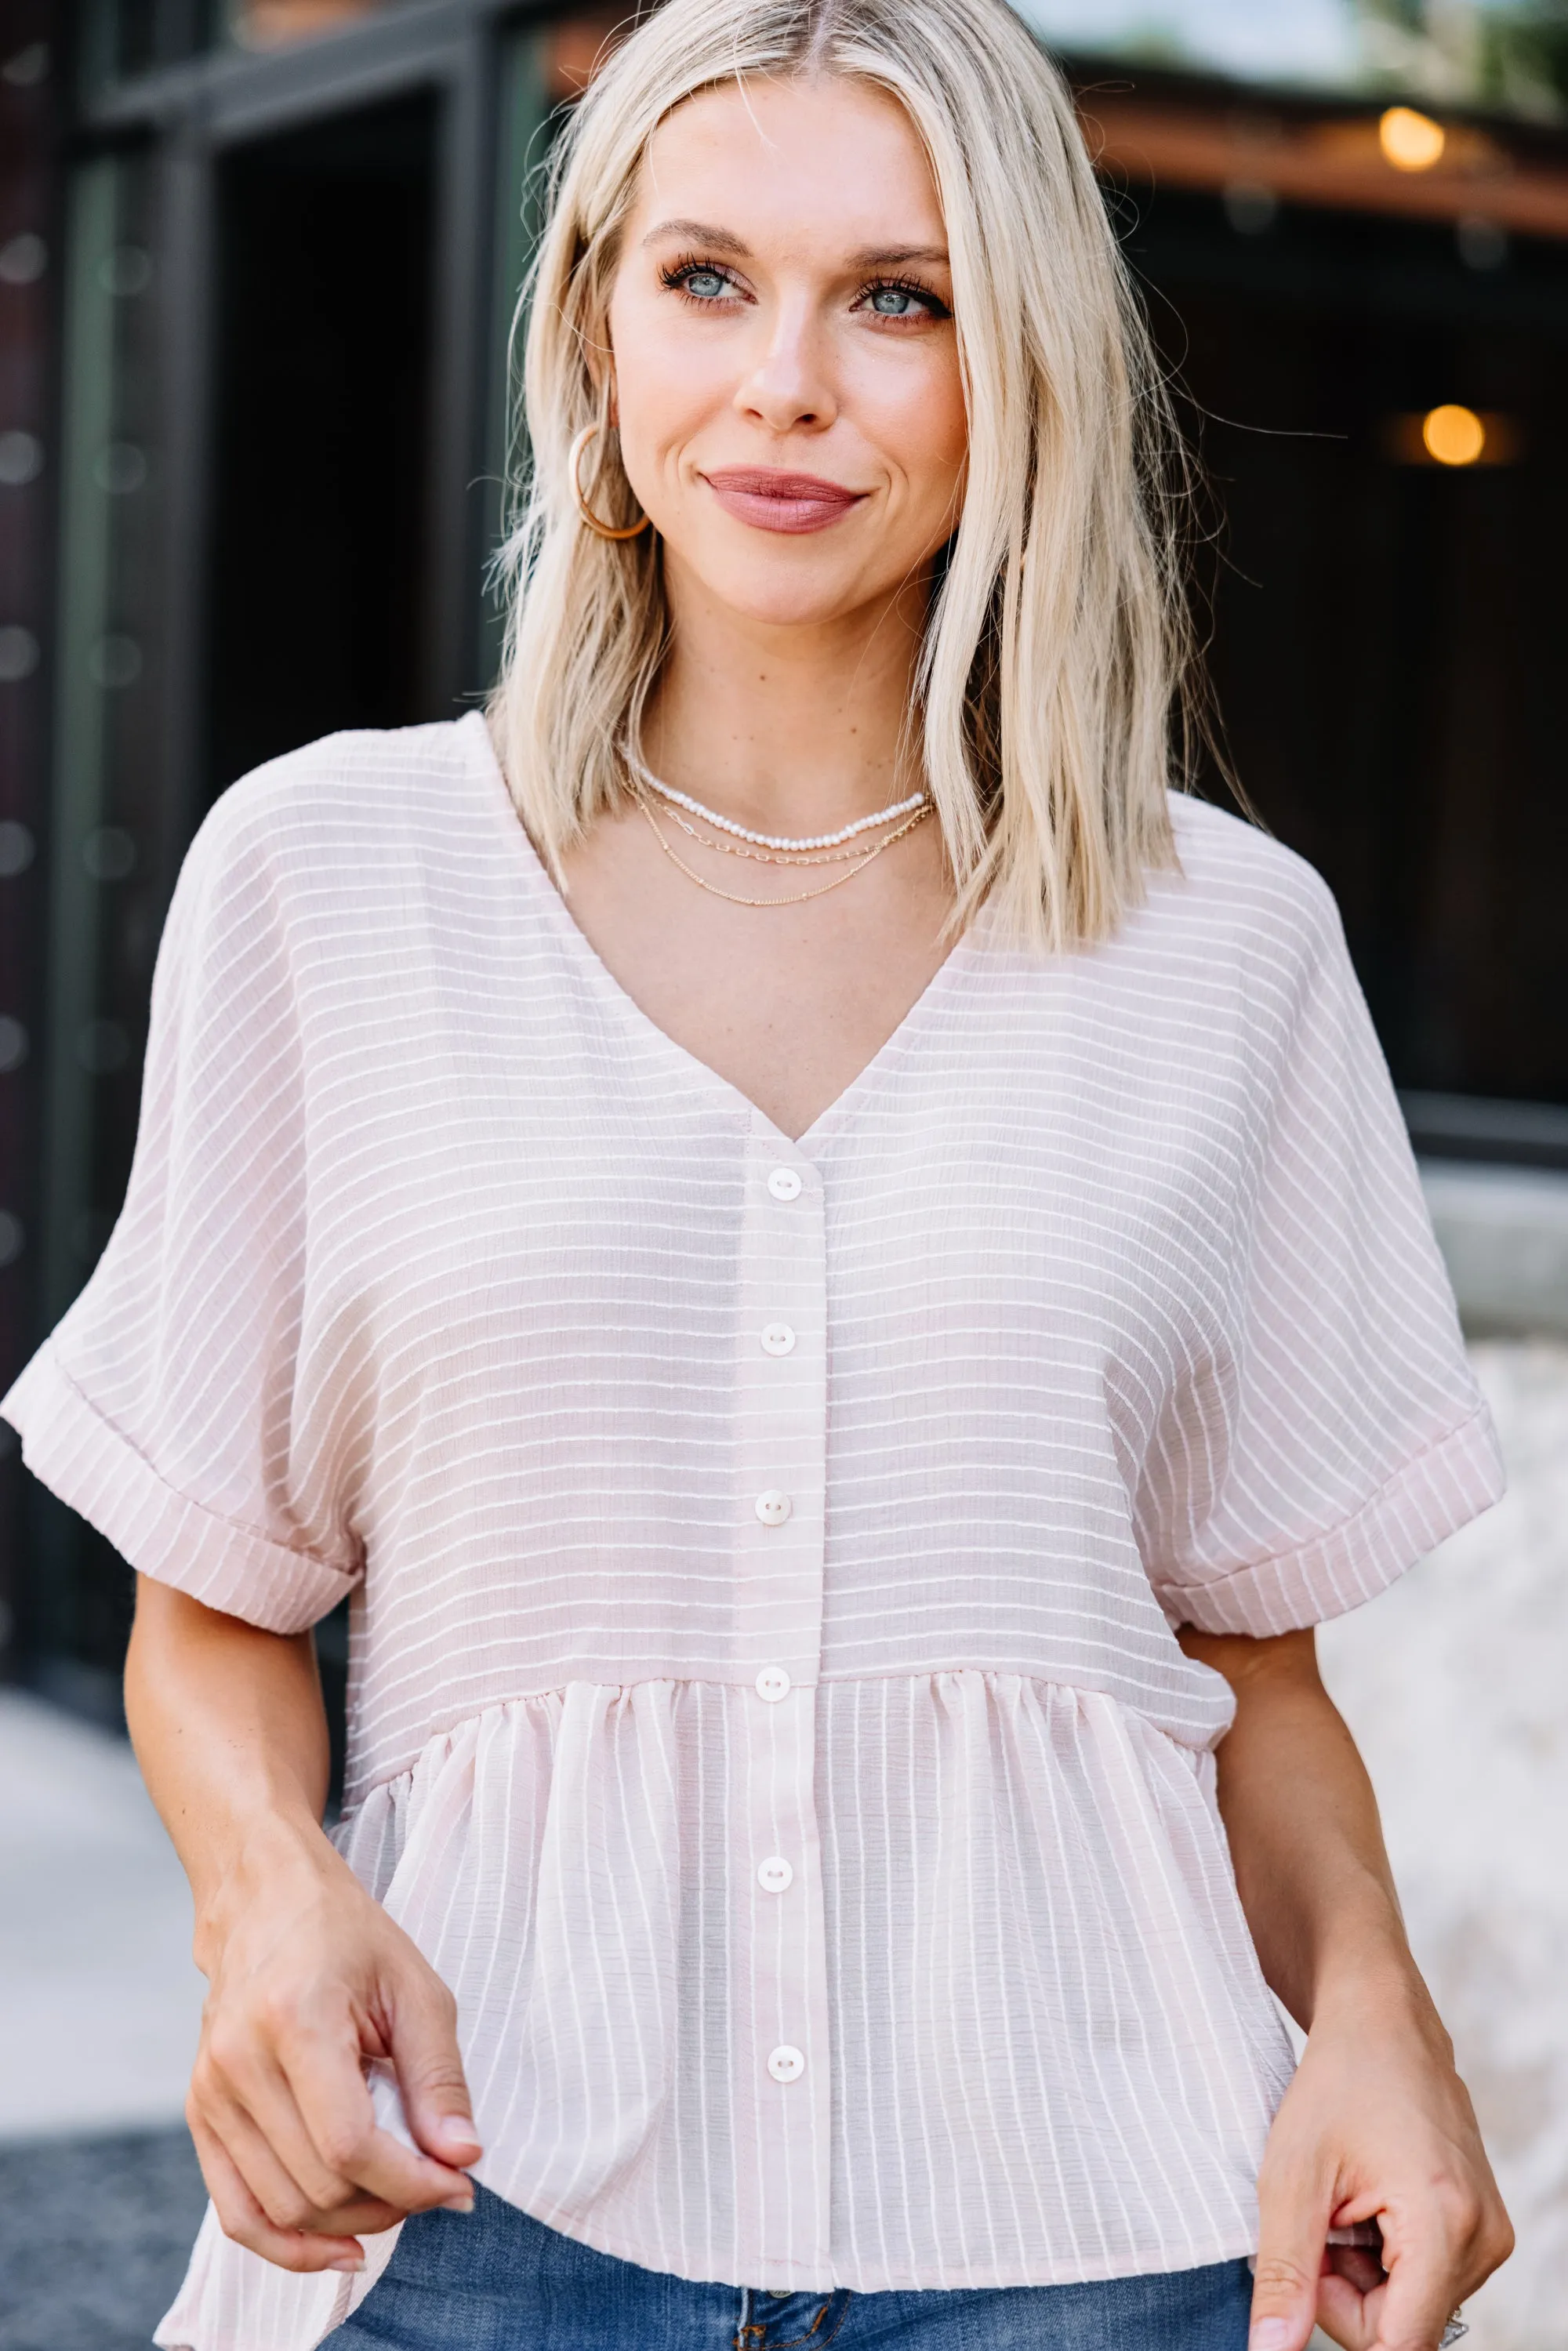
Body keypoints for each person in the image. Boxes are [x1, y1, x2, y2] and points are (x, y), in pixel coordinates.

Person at [2, 2, 1514, 2347]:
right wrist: (268, 1900)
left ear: (1017, 363)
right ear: (595, 329)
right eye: (706, 278)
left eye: (897, 297)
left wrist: (1380, 2013)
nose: (787, 382)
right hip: (467, 2220)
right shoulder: (329, 879)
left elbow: (1253, 1668)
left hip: (1093, 2241)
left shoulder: (1229, 949)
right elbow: (217, 1595)